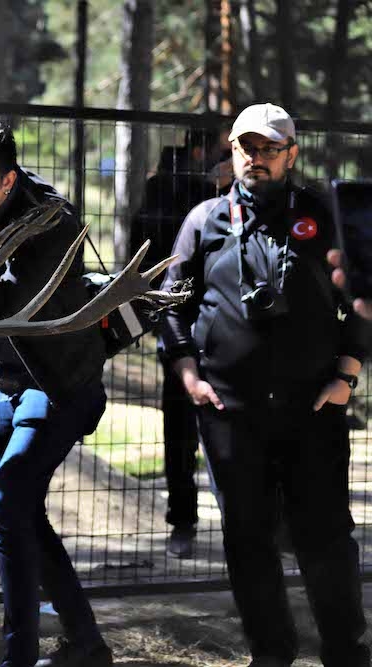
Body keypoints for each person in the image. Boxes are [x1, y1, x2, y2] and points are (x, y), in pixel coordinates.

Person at [159, 102, 370, 667]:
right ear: (233, 151)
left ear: (291, 155)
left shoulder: (323, 216)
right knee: (247, 539)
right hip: (230, 413)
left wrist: (347, 374)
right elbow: (171, 308)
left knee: (325, 537)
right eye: (247, 147)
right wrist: (189, 375)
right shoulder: (203, 220)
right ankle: (271, 653)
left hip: (314, 409)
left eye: (270, 149)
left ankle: (346, 652)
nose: (257, 158)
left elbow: (363, 301)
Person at [0, 115, 111, 667]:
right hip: (12, 384)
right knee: (25, 514)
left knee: (5, 506)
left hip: (56, 386)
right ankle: (86, 645)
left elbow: (3, 312)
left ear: (9, 180)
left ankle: (19, 657)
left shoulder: (51, 221)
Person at [129, 129, 231, 558]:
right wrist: (212, 186)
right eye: (225, 150)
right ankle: (184, 522)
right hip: (179, 319)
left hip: (222, 327)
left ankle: (247, 525)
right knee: (181, 432)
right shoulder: (176, 190)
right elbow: (154, 243)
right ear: (202, 150)